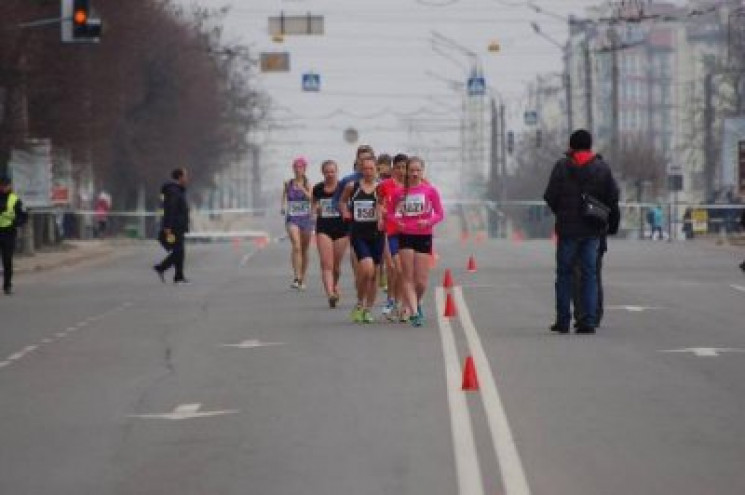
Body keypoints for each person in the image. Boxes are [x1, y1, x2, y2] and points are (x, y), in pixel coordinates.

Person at [544, 129, 619, 334]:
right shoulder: (601, 168)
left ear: (571, 145)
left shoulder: (561, 167)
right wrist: (611, 223)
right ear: (589, 145)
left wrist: (561, 212)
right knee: (590, 274)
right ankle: (588, 320)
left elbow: (550, 195)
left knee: (564, 274)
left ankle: (562, 320)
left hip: (567, 229)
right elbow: (612, 197)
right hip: (593, 229)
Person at [390, 157, 445, 327]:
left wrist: (428, 222)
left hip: (423, 235)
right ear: (406, 171)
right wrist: (397, 221)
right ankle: (414, 312)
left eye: (417, 170)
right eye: (411, 170)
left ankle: (416, 303)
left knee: (421, 282)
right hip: (406, 235)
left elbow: (440, 213)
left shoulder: (430, 191)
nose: (414, 173)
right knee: (407, 276)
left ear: (422, 171)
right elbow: (390, 213)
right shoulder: (399, 193)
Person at [340, 156, 383, 324]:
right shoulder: (353, 187)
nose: (368, 172)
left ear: (376, 170)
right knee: (367, 269)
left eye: (371, 169)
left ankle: (367, 309)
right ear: (360, 170)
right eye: (364, 169)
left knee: (374, 275)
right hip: (359, 234)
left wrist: (383, 214)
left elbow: (390, 204)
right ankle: (359, 302)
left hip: (377, 235)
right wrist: (344, 211)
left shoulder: (381, 188)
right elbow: (342, 201)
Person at [312, 160, 349, 307]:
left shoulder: (344, 188)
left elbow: (349, 203)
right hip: (323, 228)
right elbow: (313, 203)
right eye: (327, 171)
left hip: (341, 229)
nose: (329, 174)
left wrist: (345, 210)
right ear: (323, 173)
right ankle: (330, 294)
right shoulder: (318, 188)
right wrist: (315, 210)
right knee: (326, 264)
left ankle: (334, 285)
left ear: (337, 171)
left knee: (336, 266)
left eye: (332, 171)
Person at [378, 153, 407, 321]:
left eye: (404, 167)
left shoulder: (414, 185)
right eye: (398, 167)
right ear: (393, 168)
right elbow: (379, 201)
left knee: (403, 270)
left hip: (408, 232)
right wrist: (380, 215)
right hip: (390, 232)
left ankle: (400, 302)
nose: (402, 171)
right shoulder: (385, 185)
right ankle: (391, 300)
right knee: (394, 268)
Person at [154, 168, 191, 284]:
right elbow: (171, 209)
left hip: (178, 225)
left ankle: (178, 275)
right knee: (178, 251)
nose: (186, 179)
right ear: (179, 177)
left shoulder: (177, 190)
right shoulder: (174, 191)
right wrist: (168, 226)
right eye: (185, 176)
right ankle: (161, 267)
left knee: (180, 251)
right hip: (174, 226)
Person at [281, 157, 313, 290]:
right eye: (295, 167)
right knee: (296, 246)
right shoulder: (288, 183)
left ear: (304, 169)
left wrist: (302, 189)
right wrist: (283, 207)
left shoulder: (308, 184)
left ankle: (302, 278)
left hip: (305, 219)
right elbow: (283, 198)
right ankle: (296, 277)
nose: (297, 169)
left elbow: (311, 198)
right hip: (292, 218)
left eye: (300, 167)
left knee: (304, 250)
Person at [0, 175, 28, 295]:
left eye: (6, 185)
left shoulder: (15, 199)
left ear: (10, 185)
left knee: (7, 260)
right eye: (2, 185)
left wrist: (16, 223)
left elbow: (24, 216)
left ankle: (7, 285)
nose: (4, 187)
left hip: (8, 233)